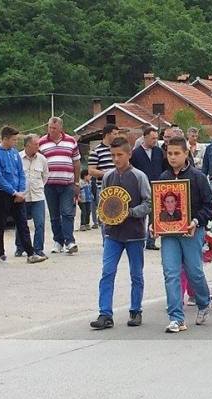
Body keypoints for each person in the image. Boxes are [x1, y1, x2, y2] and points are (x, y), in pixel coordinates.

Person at [89, 137, 152, 330]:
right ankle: (105, 313)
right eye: (113, 155)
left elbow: (148, 203)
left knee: (136, 273)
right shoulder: (108, 176)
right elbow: (103, 203)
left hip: (134, 233)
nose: (116, 159)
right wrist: (105, 221)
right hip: (112, 234)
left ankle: (135, 310)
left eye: (120, 155)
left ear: (129, 154)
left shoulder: (139, 176)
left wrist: (130, 212)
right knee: (107, 272)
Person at [155, 137, 212, 333]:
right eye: (169, 153)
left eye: (176, 153)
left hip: (192, 231)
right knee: (171, 273)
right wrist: (154, 225)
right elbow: (157, 206)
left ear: (186, 154)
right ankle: (176, 317)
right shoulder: (163, 178)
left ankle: (204, 301)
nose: (172, 157)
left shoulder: (197, 177)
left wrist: (196, 221)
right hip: (169, 234)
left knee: (194, 271)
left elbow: (209, 206)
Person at [0, 126, 46, 264]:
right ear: (5, 139)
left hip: (18, 193)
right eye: (13, 139)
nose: (15, 142)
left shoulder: (14, 153)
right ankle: (1, 253)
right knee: (0, 224)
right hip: (3, 193)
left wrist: (20, 191)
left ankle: (30, 253)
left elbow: (21, 173)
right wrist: (12, 191)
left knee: (22, 223)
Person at [39, 117, 80, 255]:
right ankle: (58, 241)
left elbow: (76, 162)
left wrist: (77, 182)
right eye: (49, 127)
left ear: (61, 128)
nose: (51, 130)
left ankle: (69, 241)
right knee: (54, 215)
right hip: (49, 185)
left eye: (54, 128)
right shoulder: (41, 142)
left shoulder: (71, 141)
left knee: (67, 213)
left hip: (67, 184)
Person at [132, 126, 167, 250]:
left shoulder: (159, 152)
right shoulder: (135, 153)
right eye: (153, 138)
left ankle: (151, 241)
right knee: (141, 214)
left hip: (157, 187)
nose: (155, 141)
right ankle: (138, 239)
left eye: (156, 138)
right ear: (145, 137)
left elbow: (164, 168)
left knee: (154, 215)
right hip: (141, 188)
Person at [17, 134, 48, 257]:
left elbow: (45, 176)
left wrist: (38, 186)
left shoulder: (42, 159)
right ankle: (20, 247)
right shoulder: (18, 157)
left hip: (38, 196)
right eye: (36, 144)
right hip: (23, 196)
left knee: (40, 223)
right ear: (28, 145)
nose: (38, 146)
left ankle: (38, 249)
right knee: (21, 223)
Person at [88, 124, 120, 228]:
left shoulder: (119, 150)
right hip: (103, 187)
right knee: (105, 216)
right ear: (107, 135)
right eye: (115, 134)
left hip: (119, 187)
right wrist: (107, 174)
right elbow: (91, 171)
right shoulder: (96, 151)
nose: (117, 136)